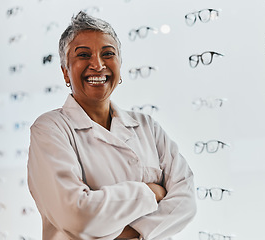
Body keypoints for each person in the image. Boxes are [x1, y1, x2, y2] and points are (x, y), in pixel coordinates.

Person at [27, 11, 196, 240]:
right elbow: (77, 216)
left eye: (108, 54)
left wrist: (127, 233)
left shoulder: (147, 127)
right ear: (66, 72)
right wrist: (150, 191)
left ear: (119, 66)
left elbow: (185, 202)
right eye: (83, 55)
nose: (97, 65)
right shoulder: (50, 129)